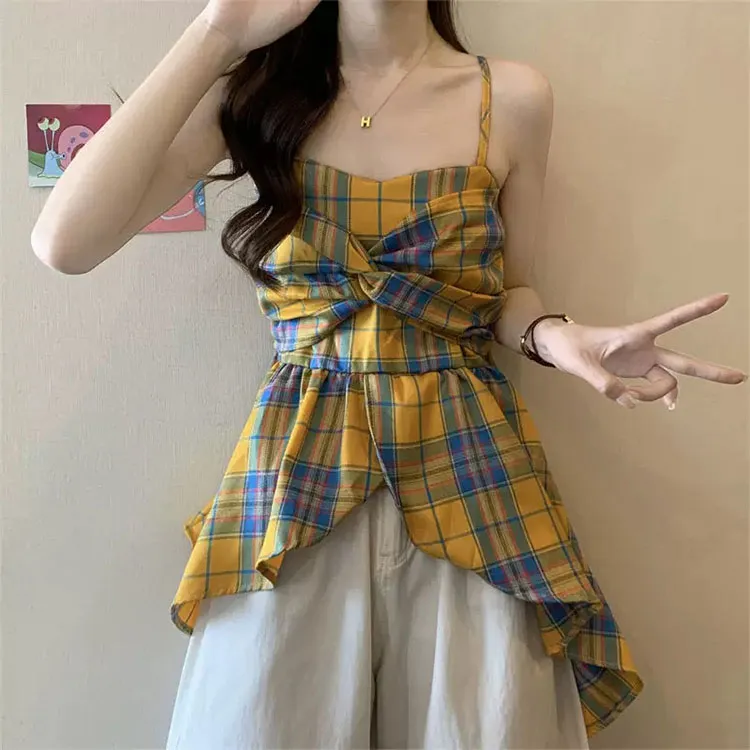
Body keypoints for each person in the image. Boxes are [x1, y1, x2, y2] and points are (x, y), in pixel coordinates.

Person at [31, 1, 747, 748]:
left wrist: (557, 337)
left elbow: (510, 295)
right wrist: (218, 32)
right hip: (299, 477)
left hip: (471, 474)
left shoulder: (513, 98)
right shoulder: (254, 96)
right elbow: (64, 243)